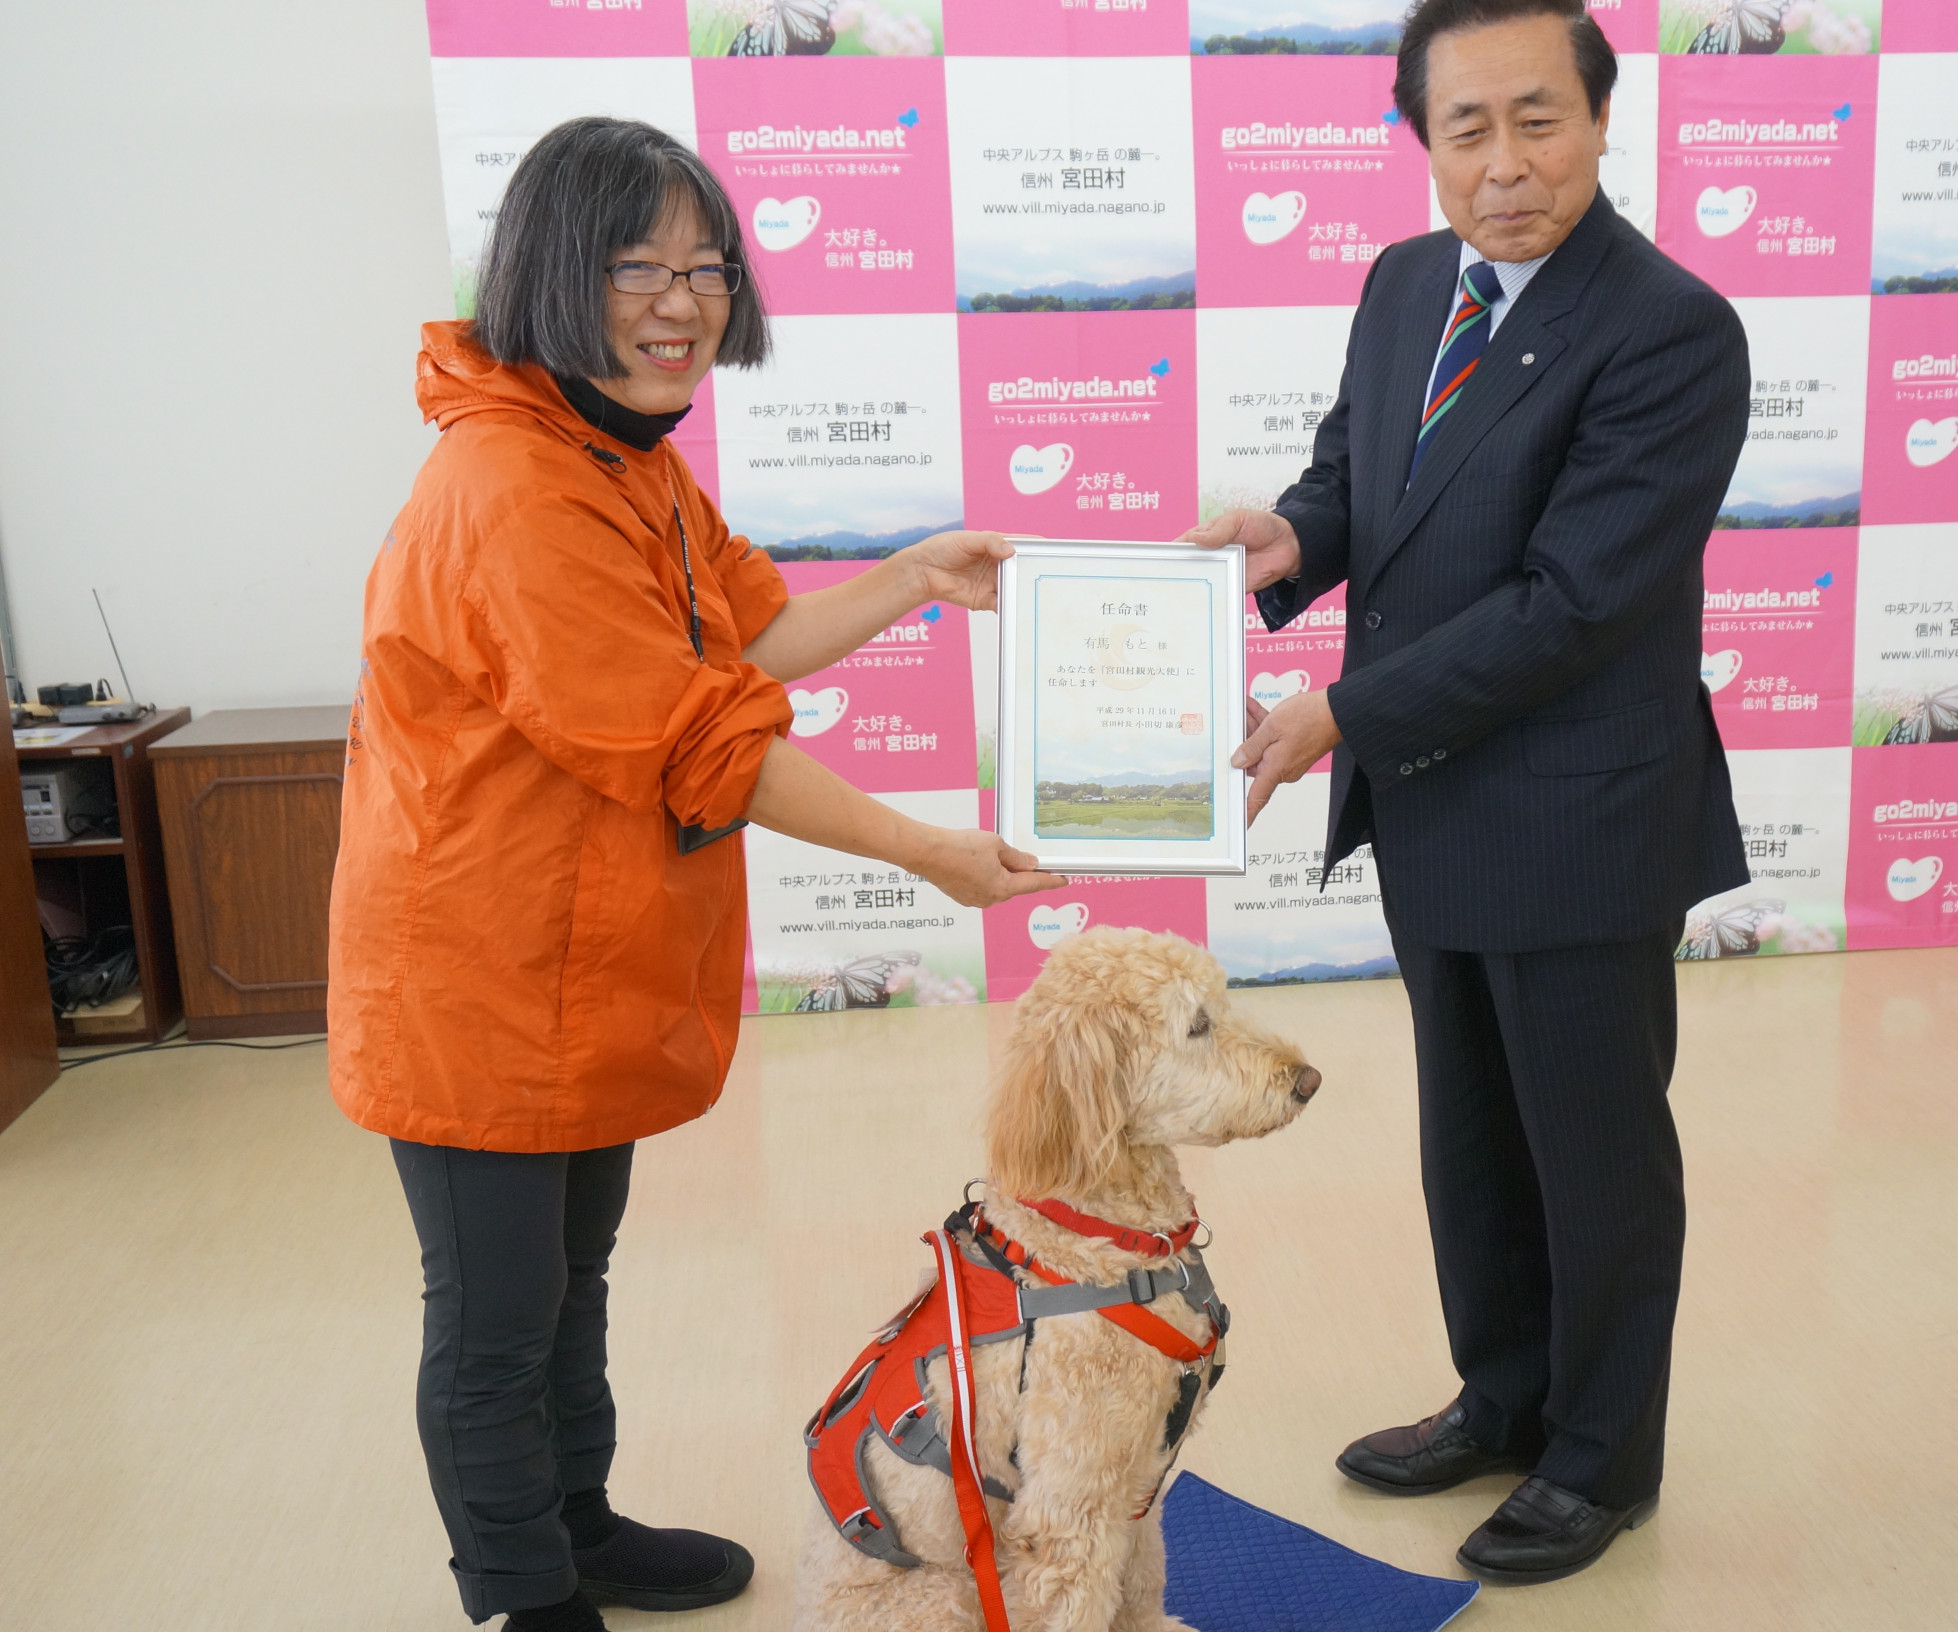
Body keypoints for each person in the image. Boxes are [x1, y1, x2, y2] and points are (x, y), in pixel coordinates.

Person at [327, 117, 1064, 1632]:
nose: (682, 302)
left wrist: (914, 577)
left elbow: (746, 638)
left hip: (575, 969)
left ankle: (578, 1523)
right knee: (492, 1322)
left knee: (568, 1285)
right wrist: (928, 852)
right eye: (636, 267)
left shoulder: (624, 456)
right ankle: (525, 1597)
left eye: (706, 267)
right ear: (547, 273)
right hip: (477, 986)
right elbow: (705, 742)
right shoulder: (514, 488)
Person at [1185, 0, 1750, 1586]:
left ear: (1600, 117)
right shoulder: (1404, 280)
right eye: (1465, 130)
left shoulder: (1668, 327)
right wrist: (1294, 534)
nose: (1504, 165)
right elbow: (1367, 471)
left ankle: (1600, 1458)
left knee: (1596, 1156)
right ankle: (1502, 1397)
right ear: (1419, 139)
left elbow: (1574, 603)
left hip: (1579, 813)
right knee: (1475, 1144)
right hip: (1437, 804)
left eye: (1538, 120)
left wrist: (1341, 713)